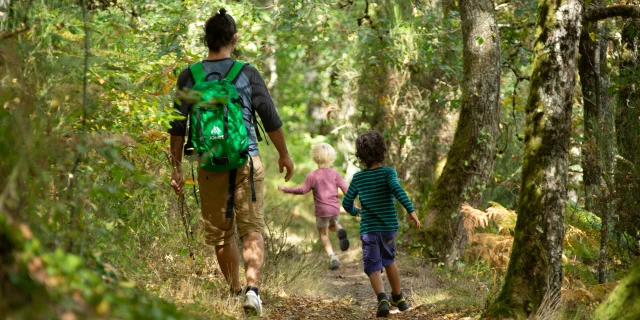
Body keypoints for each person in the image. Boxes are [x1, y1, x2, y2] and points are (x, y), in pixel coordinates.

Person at [168, 9, 294, 316]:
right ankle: (252, 291)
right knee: (251, 228)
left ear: (206, 40)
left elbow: (177, 127)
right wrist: (284, 154)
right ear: (234, 39)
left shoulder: (189, 75)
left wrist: (175, 168)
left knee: (222, 233)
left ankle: (234, 290)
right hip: (246, 160)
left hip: (208, 163)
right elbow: (271, 119)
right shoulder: (247, 72)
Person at [342, 130, 420, 318]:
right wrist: (412, 212)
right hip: (388, 229)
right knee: (389, 261)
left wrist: (356, 212)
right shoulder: (388, 173)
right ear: (382, 151)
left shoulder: (359, 178)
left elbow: (346, 203)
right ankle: (399, 297)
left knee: (373, 266)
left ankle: (383, 299)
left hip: (369, 230)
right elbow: (398, 190)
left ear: (360, 155)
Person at [277, 143, 353, 270]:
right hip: (334, 210)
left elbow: (302, 190)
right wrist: (353, 206)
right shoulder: (335, 174)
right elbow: (346, 190)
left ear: (315, 158)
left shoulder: (312, 176)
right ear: (332, 158)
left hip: (322, 211)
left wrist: (285, 189)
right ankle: (339, 229)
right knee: (333, 225)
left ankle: (332, 257)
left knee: (324, 235)